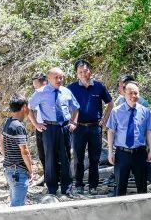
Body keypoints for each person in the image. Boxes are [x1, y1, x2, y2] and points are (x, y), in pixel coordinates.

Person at [27, 67, 80, 198]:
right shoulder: (40, 92)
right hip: (49, 128)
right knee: (50, 157)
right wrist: (36, 124)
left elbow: (76, 108)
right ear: (49, 78)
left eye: (61, 77)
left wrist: (74, 122)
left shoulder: (66, 91)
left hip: (64, 127)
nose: (59, 80)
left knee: (66, 157)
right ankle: (51, 188)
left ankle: (67, 188)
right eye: (56, 77)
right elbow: (29, 109)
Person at [67, 60, 113, 195]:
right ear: (77, 74)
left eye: (85, 71)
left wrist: (104, 119)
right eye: (80, 72)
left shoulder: (99, 87)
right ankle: (79, 185)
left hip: (95, 127)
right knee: (78, 158)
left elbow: (110, 104)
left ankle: (93, 186)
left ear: (90, 71)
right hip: (78, 128)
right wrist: (70, 121)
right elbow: (64, 105)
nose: (83, 74)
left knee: (95, 158)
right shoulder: (71, 88)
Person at [105, 81, 151, 196]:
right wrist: (110, 152)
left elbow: (149, 131)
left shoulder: (145, 111)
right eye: (130, 93)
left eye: (136, 93)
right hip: (122, 153)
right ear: (124, 94)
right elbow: (111, 131)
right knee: (120, 186)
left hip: (140, 153)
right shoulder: (116, 111)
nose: (133, 96)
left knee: (142, 186)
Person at [2, 97, 34, 207]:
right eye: (28, 106)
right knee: (17, 207)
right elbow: (25, 152)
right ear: (24, 108)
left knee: (15, 204)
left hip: (9, 169)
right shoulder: (18, 127)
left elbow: (2, 142)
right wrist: (31, 170)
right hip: (18, 172)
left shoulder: (8, 122)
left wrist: (7, 157)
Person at [31, 73, 48, 185]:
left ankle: (55, 177)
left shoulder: (50, 93)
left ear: (44, 83)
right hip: (40, 127)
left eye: (36, 85)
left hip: (50, 126)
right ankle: (47, 176)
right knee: (42, 154)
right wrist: (36, 124)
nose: (34, 88)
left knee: (52, 154)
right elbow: (29, 109)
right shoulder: (36, 94)